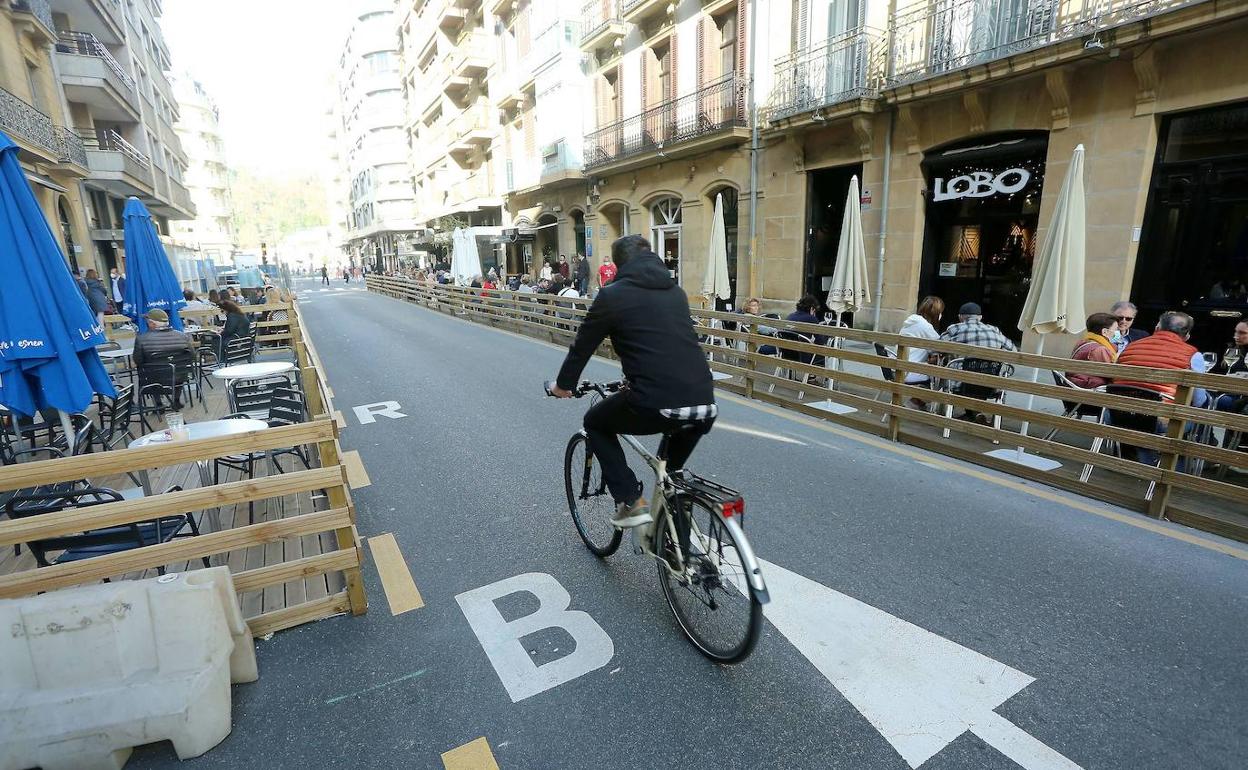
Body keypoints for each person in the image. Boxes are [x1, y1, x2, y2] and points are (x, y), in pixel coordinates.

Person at [550, 235, 715, 528]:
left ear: (618, 264)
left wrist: (563, 385)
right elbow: (663, 342)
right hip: (704, 403)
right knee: (671, 476)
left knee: (595, 422)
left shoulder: (613, 296)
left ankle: (630, 501)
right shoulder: (675, 292)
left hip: (656, 402)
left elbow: (583, 346)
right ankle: (680, 553)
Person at [939, 302, 1017, 423]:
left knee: (950, 369)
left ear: (960, 317)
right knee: (977, 378)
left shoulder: (955, 329)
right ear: (980, 317)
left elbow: (934, 348)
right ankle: (975, 414)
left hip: (960, 383)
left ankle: (961, 415)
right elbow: (1014, 351)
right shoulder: (994, 330)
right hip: (991, 384)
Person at [133, 308, 194, 409]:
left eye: (148, 321)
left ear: (152, 324)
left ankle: (158, 404)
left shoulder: (142, 339)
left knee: (147, 371)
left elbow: (138, 360)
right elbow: (192, 356)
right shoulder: (182, 336)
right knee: (177, 369)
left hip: (155, 378)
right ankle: (176, 400)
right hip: (180, 376)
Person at [898, 296, 944, 408]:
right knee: (941, 377)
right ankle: (915, 402)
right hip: (908, 372)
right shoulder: (925, 327)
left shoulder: (911, 322)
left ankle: (918, 401)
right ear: (937, 314)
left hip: (897, 368)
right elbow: (941, 347)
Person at [1066, 312, 1120, 389]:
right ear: (1105, 332)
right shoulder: (1100, 349)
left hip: (1076, 384)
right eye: (1116, 329)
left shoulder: (1083, 342)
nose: (1117, 333)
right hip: (1089, 389)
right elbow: (1114, 375)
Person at [1211, 320, 1248, 414]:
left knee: (1224, 401)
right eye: (1236, 332)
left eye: (1242, 333)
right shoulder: (1235, 351)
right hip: (1231, 391)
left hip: (1241, 396)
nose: (1236, 336)